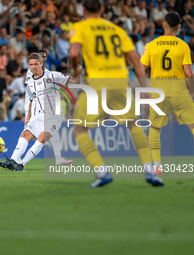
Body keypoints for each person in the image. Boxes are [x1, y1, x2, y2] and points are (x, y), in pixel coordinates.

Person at [69, 0, 163, 187]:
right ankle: (150, 170)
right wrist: (144, 88)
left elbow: (73, 53)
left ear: (83, 10)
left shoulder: (79, 27)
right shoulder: (117, 29)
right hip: (120, 81)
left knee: (79, 129)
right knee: (133, 124)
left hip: (96, 83)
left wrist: (74, 71)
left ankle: (102, 172)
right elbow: (136, 61)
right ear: (102, 10)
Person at [140, 12, 194, 175]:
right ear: (179, 26)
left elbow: (141, 69)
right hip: (179, 92)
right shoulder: (183, 46)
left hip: (158, 93)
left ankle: (157, 166)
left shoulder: (151, 45)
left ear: (163, 24)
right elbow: (189, 73)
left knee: (155, 129)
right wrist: (192, 91)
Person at [0, 53, 72, 171]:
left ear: (41, 64)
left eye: (36, 64)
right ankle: (12, 161)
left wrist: (77, 73)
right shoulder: (30, 83)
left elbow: (71, 80)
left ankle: (21, 164)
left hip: (54, 115)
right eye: (31, 65)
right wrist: (28, 116)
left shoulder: (52, 75)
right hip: (38, 114)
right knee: (25, 135)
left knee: (41, 139)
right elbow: (32, 100)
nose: (33, 67)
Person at [24, 50, 73, 166]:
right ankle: (17, 159)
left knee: (52, 132)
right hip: (33, 107)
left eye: (44, 57)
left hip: (47, 108)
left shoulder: (49, 73)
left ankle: (58, 158)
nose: (43, 59)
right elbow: (32, 90)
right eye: (41, 57)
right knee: (28, 134)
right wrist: (29, 114)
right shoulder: (32, 71)